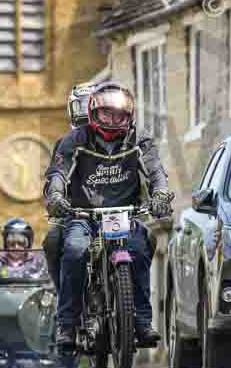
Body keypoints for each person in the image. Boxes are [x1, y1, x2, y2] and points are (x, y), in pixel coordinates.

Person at [43, 80, 172, 349]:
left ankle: (142, 322)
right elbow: (58, 172)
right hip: (82, 215)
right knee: (75, 249)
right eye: (106, 114)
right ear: (93, 112)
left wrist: (161, 195)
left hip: (125, 215)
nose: (112, 121)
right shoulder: (73, 140)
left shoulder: (140, 139)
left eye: (119, 115)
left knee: (140, 246)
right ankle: (67, 324)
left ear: (129, 116)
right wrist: (55, 196)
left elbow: (156, 171)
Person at [42, 83, 96, 289]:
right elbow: (55, 174)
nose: (86, 112)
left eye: (91, 105)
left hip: (113, 214)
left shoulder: (119, 142)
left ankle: (134, 307)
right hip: (75, 213)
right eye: (80, 106)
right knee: (53, 242)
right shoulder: (64, 143)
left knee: (144, 239)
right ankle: (63, 297)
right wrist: (55, 197)